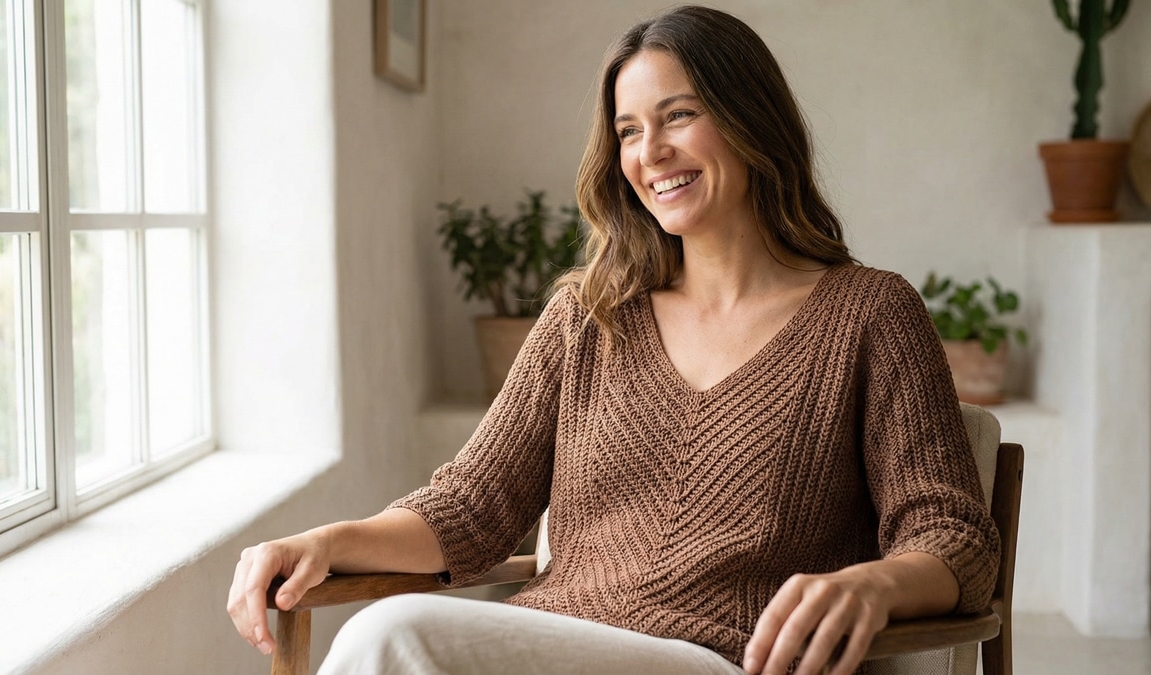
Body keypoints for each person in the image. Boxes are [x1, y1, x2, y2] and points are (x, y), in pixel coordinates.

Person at [227, 6, 1001, 674]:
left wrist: (871, 584)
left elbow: (953, 534)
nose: (649, 152)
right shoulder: (589, 316)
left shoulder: (870, 312)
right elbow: (470, 507)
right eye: (629, 131)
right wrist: (326, 540)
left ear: (750, 119)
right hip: (556, 638)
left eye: (678, 116)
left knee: (395, 634)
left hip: (723, 656)